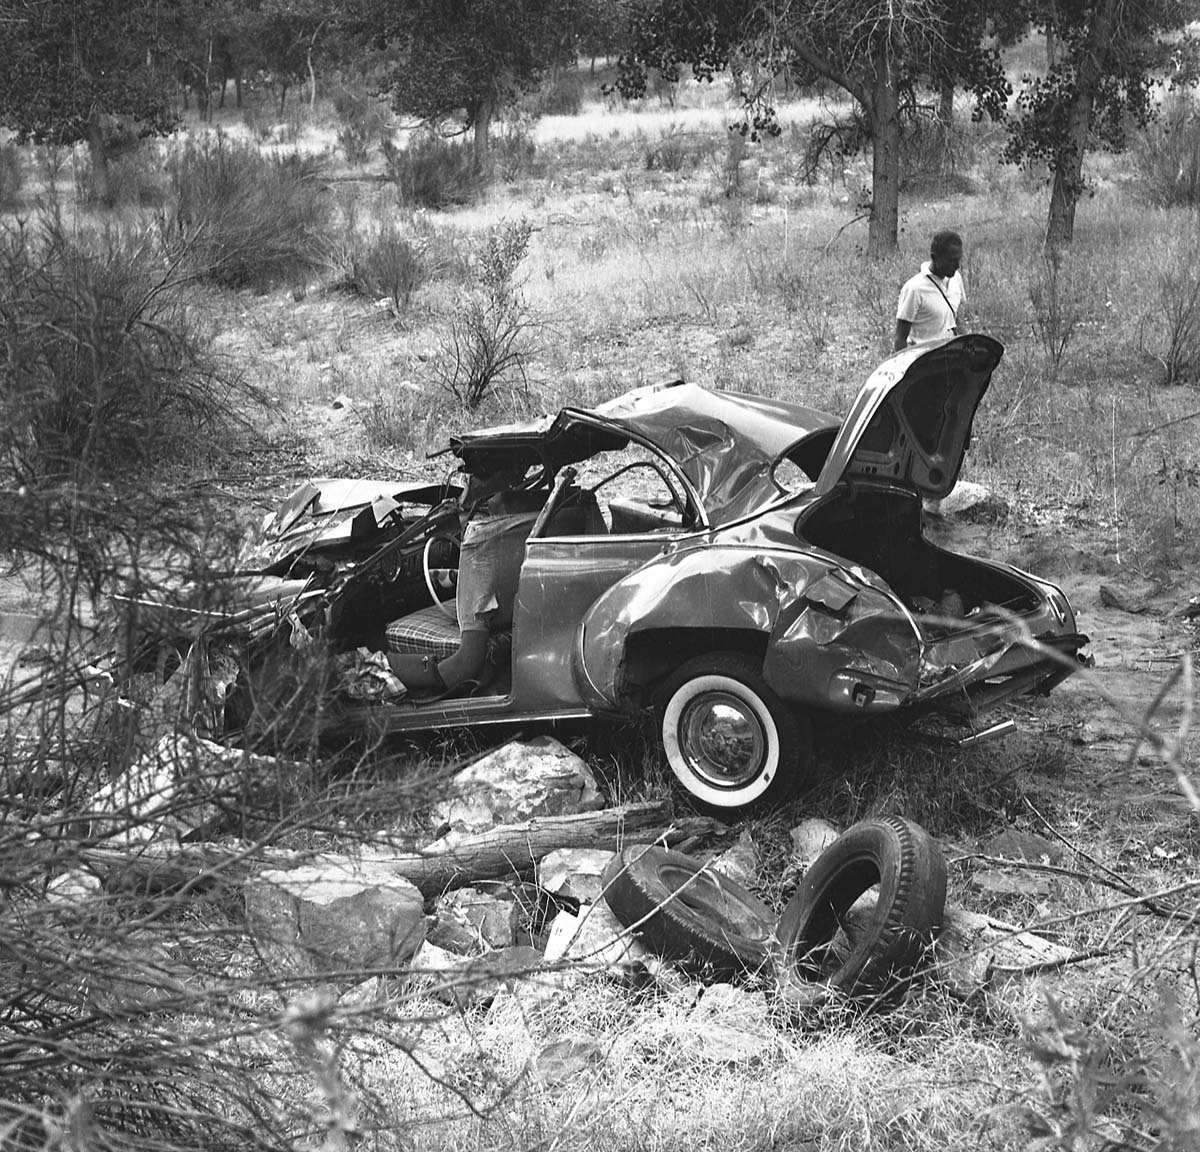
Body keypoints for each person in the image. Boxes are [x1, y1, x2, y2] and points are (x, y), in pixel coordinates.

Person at [894, 230, 964, 351]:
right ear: (934, 257)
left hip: (952, 357)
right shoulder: (914, 289)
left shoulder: (956, 279)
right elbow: (900, 339)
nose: (957, 266)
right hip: (924, 361)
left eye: (959, 260)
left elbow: (955, 317)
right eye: (951, 261)